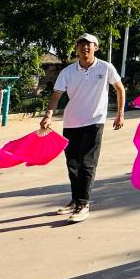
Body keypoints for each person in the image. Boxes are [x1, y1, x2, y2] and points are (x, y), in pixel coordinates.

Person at [39, 34, 125, 224]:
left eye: (89, 44)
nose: (85, 47)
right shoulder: (68, 72)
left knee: (87, 163)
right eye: (81, 44)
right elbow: (56, 95)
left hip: (95, 121)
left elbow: (120, 89)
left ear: (96, 48)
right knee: (73, 164)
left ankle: (83, 204)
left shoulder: (106, 67)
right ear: (76, 48)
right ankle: (75, 200)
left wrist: (120, 113)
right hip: (71, 122)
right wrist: (48, 115)